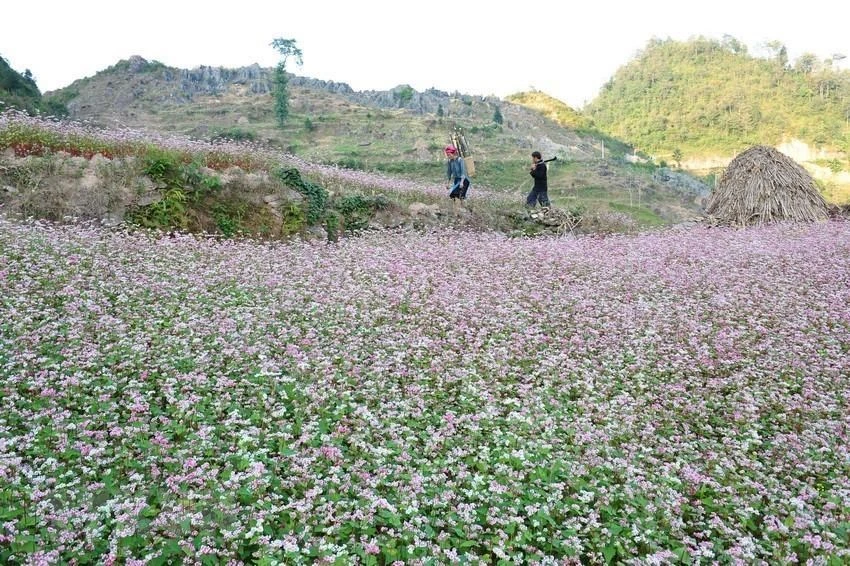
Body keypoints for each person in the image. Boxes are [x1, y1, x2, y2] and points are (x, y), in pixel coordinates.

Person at [444, 145, 470, 210]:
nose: (448, 156)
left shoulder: (460, 160)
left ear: (453, 153)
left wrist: (461, 182)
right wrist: (448, 183)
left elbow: (463, 172)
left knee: (460, 196)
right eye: (447, 155)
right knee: (453, 195)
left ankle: (465, 209)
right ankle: (457, 209)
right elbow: (449, 173)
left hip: (464, 180)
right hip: (456, 180)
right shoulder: (450, 161)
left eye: (449, 154)